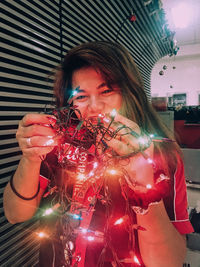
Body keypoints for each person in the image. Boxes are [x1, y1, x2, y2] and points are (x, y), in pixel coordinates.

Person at [3, 41, 193, 267]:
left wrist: (143, 185)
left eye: (107, 91)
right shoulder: (58, 145)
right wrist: (31, 158)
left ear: (130, 93)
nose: (95, 107)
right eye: (81, 96)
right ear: (70, 102)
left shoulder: (163, 155)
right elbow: (15, 214)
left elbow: (167, 263)